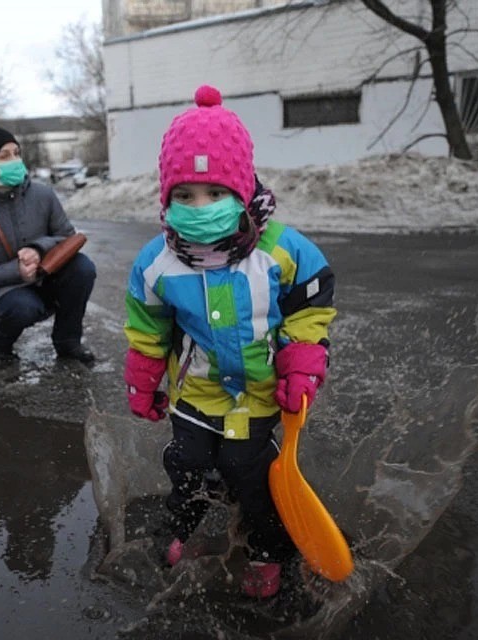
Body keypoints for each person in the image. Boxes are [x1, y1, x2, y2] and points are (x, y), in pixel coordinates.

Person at [122, 86, 336, 598]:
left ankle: (268, 549)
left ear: (241, 189)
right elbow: (147, 325)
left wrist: (302, 362)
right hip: (196, 391)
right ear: (166, 197)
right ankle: (180, 524)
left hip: (260, 392)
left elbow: (311, 303)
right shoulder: (157, 261)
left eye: (215, 194)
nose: (200, 208)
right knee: (186, 462)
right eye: (185, 196)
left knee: (250, 472)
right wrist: (145, 378)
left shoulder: (280, 249)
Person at [0, 125, 96, 366]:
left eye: (16, 153)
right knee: (22, 307)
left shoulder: (42, 195)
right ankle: (0, 342)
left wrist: (38, 249)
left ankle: (68, 342)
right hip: (1, 290)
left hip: (43, 274)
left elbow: (66, 237)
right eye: (4, 156)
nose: (15, 161)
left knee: (82, 268)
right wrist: (14, 270)